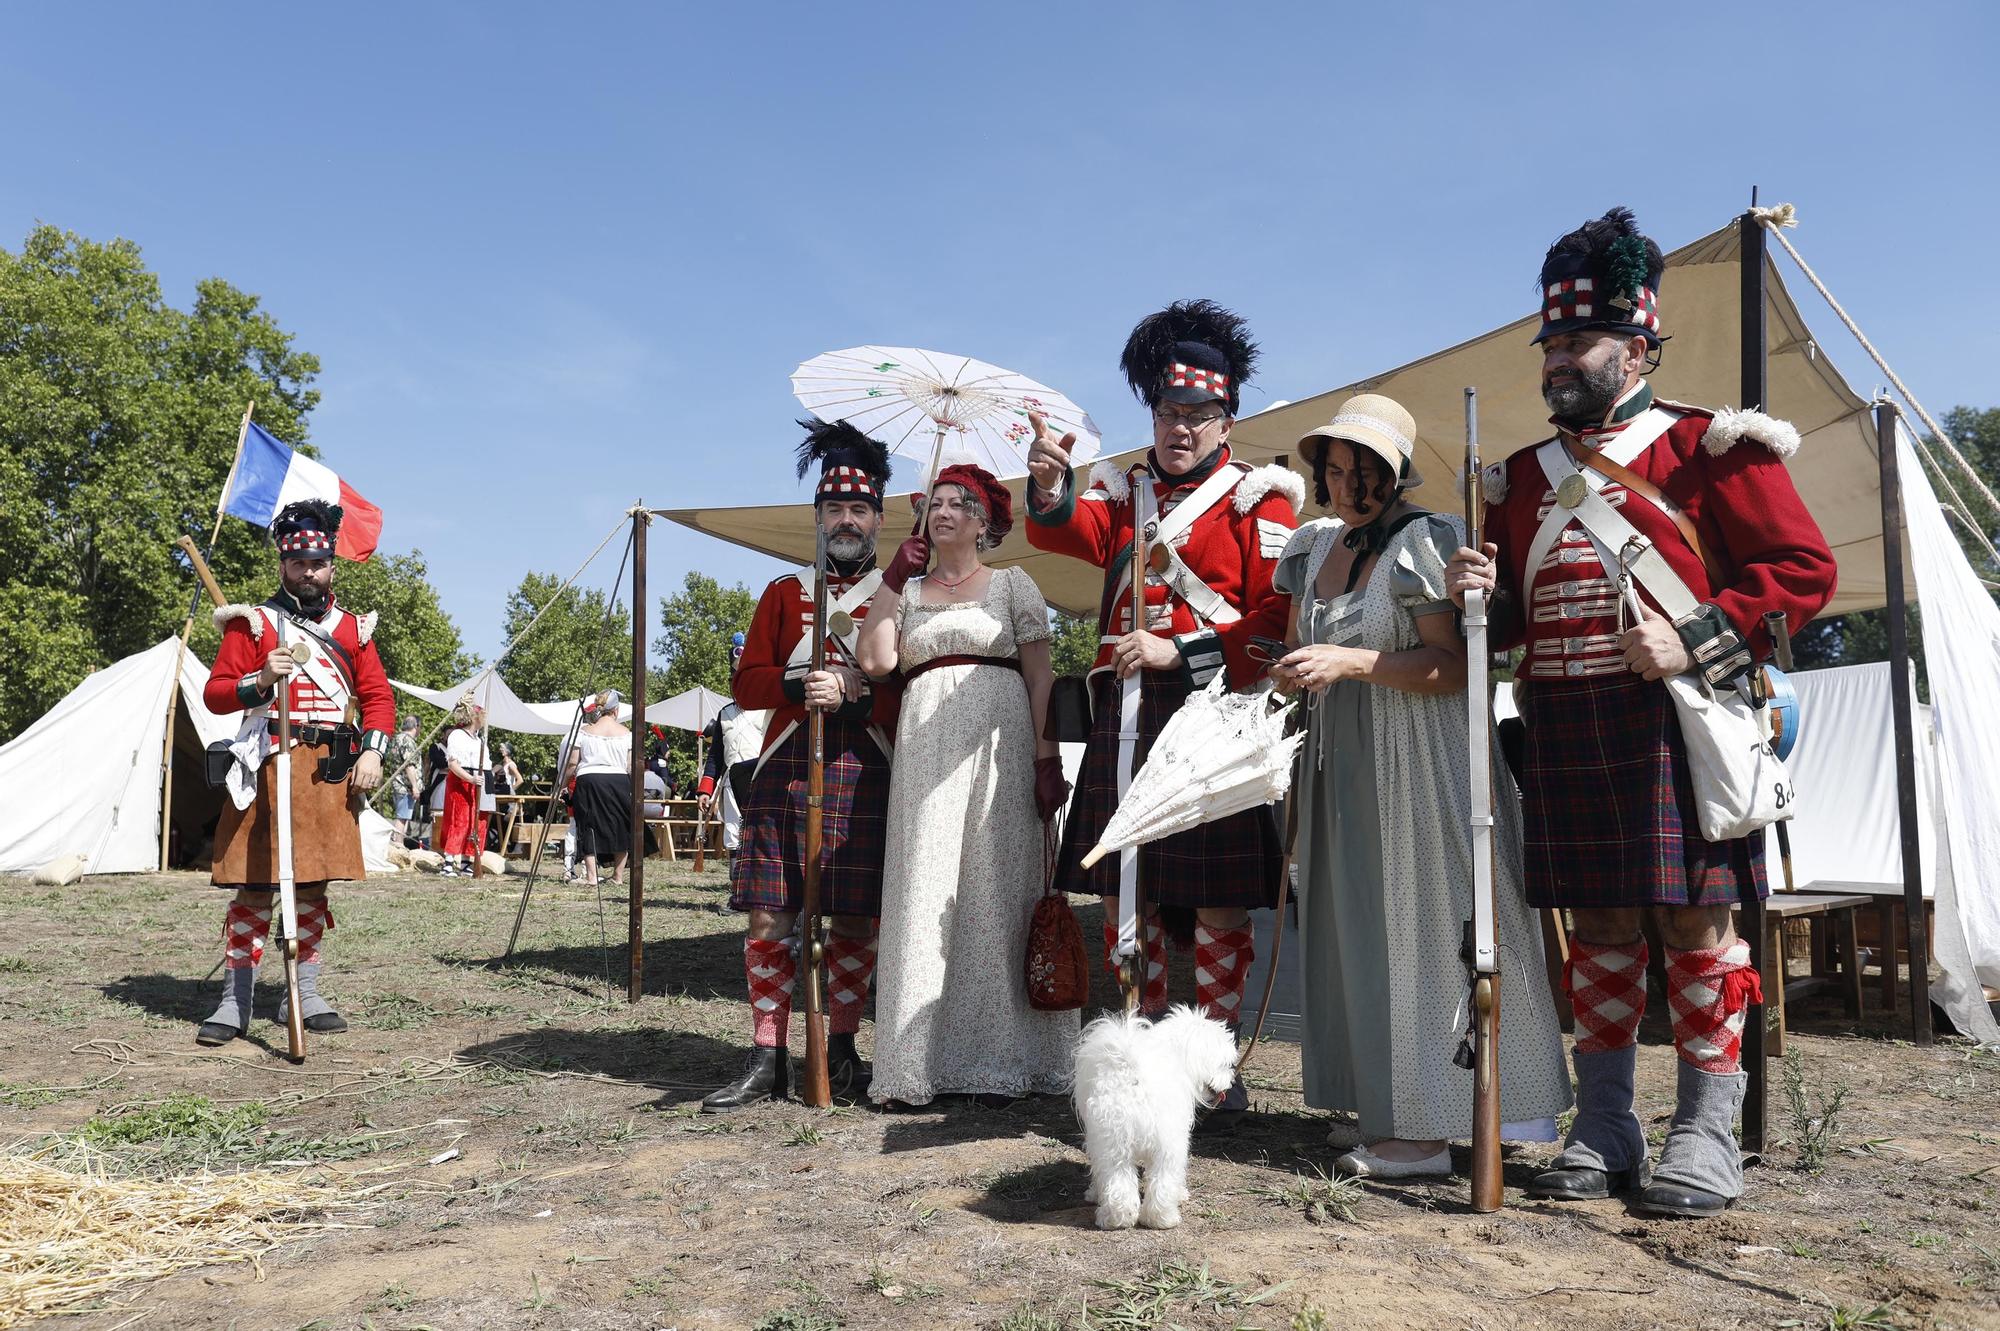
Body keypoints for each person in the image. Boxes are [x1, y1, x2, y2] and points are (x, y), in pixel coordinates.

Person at [1446, 207, 1838, 1217]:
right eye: (1551, 345)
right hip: (1567, 721)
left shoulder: (1712, 447)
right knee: (1604, 929)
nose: (1556, 363)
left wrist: (1697, 634)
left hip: (1673, 723)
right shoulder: (1517, 480)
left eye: (1576, 343)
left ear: (1633, 347)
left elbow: (1801, 571)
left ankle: (1704, 1124)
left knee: (1697, 925)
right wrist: (1476, 586)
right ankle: (1608, 1121)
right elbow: (1523, 618)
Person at [1269, 394, 1572, 1178]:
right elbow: (1307, 642)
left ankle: (1433, 1129)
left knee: (1426, 929)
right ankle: (1387, 1103)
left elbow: (1458, 666)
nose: (1339, 483)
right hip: (1340, 759)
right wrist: (1297, 669)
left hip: (1418, 759)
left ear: (1393, 472)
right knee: (1360, 932)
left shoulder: (1424, 539)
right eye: (1330, 468)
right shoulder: (1312, 547)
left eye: (1356, 469)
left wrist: (1354, 662)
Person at [1025, 299, 1301, 1128]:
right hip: (1125, 714)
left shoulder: (1261, 500)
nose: (1178, 427)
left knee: (1216, 899)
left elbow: (1272, 622)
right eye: (1166, 411)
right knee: (1123, 889)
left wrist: (1182, 653)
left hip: (1209, 715)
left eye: (1196, 414)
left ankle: (1215, 1067)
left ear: (1226, 418)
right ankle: (1140, 1052)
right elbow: (1066, 529)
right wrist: (1047, 488)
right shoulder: (1122, 489)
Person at [857, 462, 1078, 1107]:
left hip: (1002, 744)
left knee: (995, 887)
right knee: (923, 888)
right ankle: (913, 1063)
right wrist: (894, 577)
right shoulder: (908, 590)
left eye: (959, 503)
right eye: (935, 502)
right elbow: (876, 662)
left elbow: (1040, 677)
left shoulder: (1014, 585)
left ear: (984, 522)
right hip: (926, 747)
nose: (943, 511)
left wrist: (1045, 756)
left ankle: (1006, 1061)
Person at [702, 420, 902, 1111]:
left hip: (866, 769)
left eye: (858, 509)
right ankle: (766, 1055)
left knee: (854, 921)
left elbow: (910, 693)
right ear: (816, 519)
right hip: (787, 769)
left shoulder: (896, 597)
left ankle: (841, 1048)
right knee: (768, 917)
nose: (845, 520)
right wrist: (796, 687)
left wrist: (858, 694)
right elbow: (747, 682)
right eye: (832, 510)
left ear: (878, 516)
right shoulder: (785, 592)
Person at [195, 500, 394, 1045]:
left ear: (332, 564)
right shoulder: (253, 622)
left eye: (319, 563)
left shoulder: (354, 629)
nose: (309, 572)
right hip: (265, 765)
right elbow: (216, 693)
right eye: (299, 563)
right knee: (255, 888)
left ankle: (303, 994)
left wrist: (373, 752)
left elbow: (378, 699)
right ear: (283, 565)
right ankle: (235, 1001)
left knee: (311, 889)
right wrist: (260, 679)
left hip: (324, 774)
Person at [697, 632, 768, 856]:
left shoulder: (767, 711)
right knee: (733, 833)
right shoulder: (724, 714)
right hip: (730, 783)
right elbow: (716, 755)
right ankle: (736, 881)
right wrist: (705, 790)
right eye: (735, 680)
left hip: (760, 779)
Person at [564, 689, 633, 887]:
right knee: (621, 825)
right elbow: (629, 765)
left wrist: (562, 785)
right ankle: (617, 876)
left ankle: (592, 877)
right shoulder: (627, 733)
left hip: (589, 780)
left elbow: (572, 764)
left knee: (589, 826)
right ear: (616, 711)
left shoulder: (584, 731)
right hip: (618, 780)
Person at [438, 701, 488, 877]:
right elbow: (453, 764)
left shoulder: (479, 739)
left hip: (477, 783)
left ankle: (467, 862)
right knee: (458, 821)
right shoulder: (458, 735)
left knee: (475, 822)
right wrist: (470, 779)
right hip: (461, 782)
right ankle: (449, 863)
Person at [387, 714, 423, 841]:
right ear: (416, 727)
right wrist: (414, 786)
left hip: (398, 782)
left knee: (405, 815)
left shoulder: (397, 738)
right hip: (405, 785)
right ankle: (398, 843)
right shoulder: (408, 741)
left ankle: (399, 842)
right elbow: (409, 765)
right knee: (402, 817)